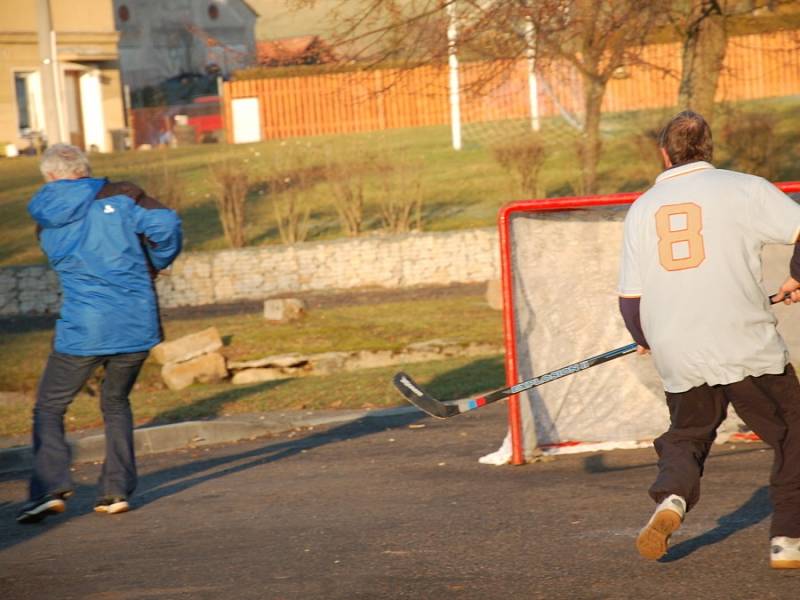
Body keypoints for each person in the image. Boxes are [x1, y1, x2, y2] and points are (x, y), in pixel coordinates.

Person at [618, 111, 800, 569]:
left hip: (679, 348)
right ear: (709, 148)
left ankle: (672, 499)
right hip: (744, 343)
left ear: (665, 154)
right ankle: (789, 540)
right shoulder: (745, 187)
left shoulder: (642, 208)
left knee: (687, 434)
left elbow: (630, 300)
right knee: (793, 435)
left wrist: (646, 337)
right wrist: (797, 276)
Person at [16, 144, 182, 524]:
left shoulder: (44, 221)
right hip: (135, 324)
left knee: (49, 406)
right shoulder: (121, 195)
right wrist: (154, 262)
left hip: (83, 329)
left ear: (50, 176)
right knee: (116, 403)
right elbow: (167, 224)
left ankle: (49, 488)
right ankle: (115, 492)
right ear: (84, 170)